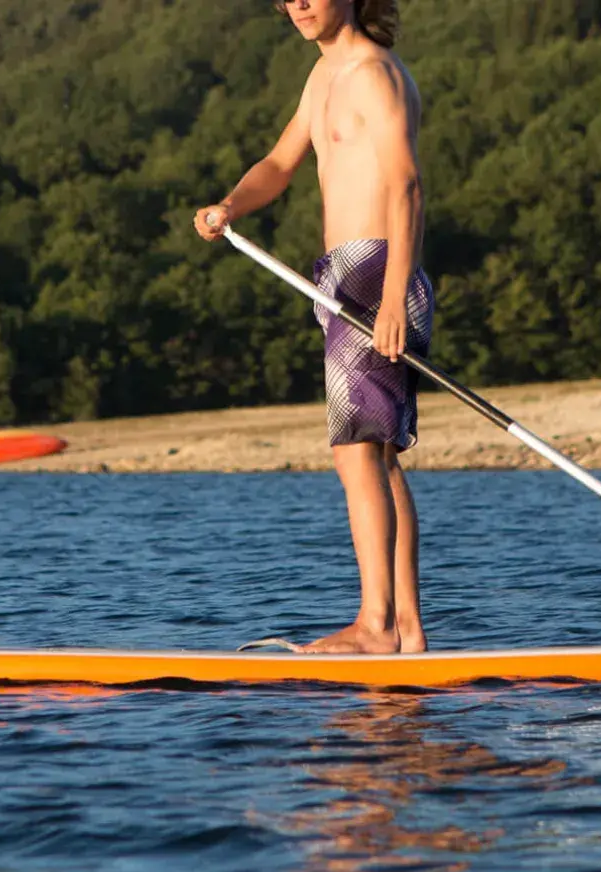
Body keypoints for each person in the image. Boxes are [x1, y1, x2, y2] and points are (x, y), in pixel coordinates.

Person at [196, 0, 431, 654]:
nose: (298, 3)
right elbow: (279, 163)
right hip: (342, 277)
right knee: (376, 454)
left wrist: (389, 297)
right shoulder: (322, 77)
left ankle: (376, 625)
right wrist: (231, 204)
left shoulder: (374, 74)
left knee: (356, 450)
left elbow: (406, 185)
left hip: (375, 270)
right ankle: (405, 629)